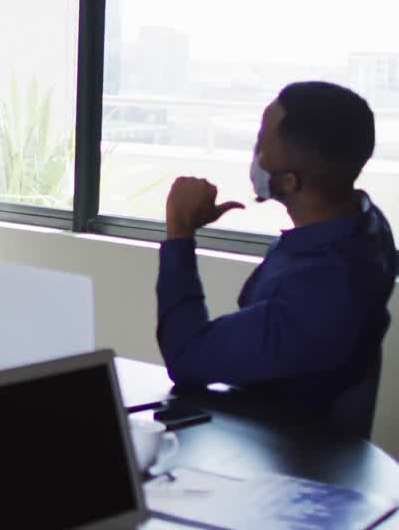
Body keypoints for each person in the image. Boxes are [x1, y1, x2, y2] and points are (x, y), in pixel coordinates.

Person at [156, 81, 394, 416]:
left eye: (259, 146)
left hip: (286, 453)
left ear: (288, 181)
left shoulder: (323, 290)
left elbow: (186, 356)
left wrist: (179, 232)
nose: (254, 156)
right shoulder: (365, 227)